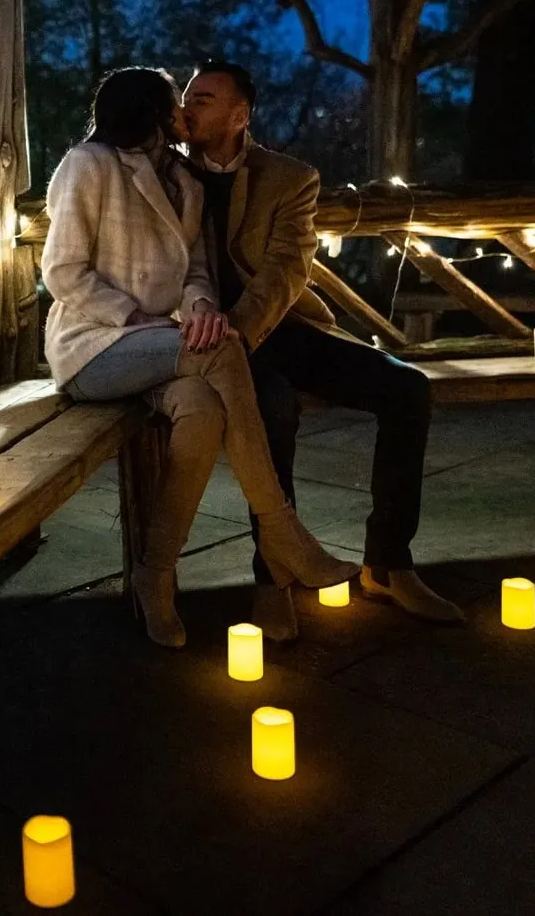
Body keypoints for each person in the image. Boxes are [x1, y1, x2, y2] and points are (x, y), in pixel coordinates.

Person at [41, 66, 357, 649]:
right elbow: (62, 272)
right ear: (155, 113)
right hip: (95, 346)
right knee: (222, 352)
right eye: (177, 104)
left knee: (206, 409)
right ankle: (282, 531)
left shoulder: (182, 180)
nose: (186, 112)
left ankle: (154, 573)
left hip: (162, 347)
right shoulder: (88, 166)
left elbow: (198, 271)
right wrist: (137, 318)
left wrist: (205, 306)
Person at [180, 59, 463, 640]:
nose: (187, 107)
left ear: (240, 114)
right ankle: (273, 576)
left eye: (203, 99)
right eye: (186, 97)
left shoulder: (289, 177)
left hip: (280, 326)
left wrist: (240, 328)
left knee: (409, 388)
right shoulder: (161, 173)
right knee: (273, 409)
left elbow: (286, 269)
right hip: (201, 340)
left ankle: (388, 564)